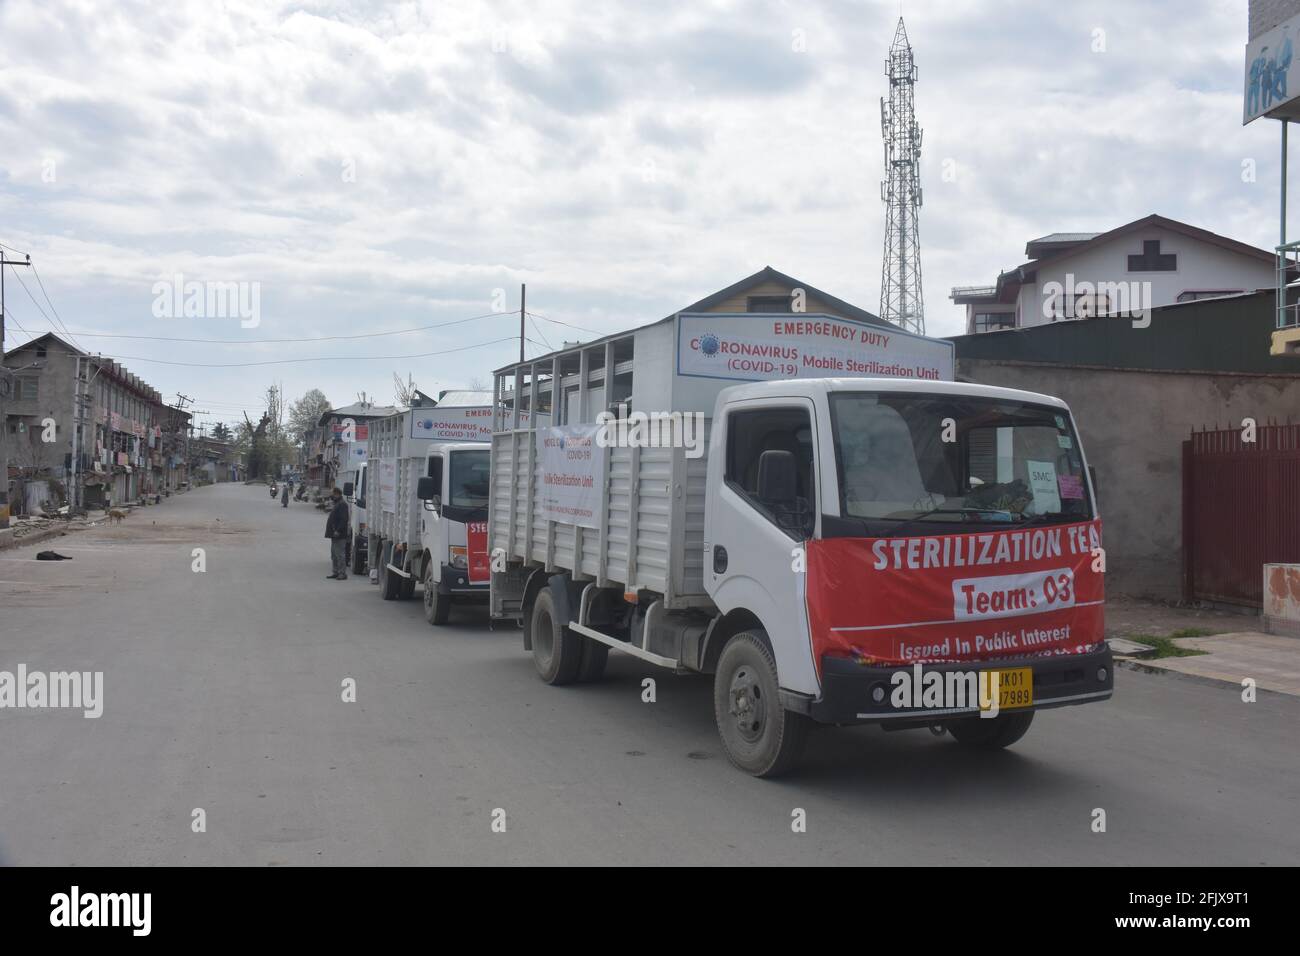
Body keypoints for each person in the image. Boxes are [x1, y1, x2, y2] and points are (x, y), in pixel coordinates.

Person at [325, 486, 350, 580]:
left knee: (340, 554)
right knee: (334, 554)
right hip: (334, 534)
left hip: (339, 534)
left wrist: (338, 530)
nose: (331, 495)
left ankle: (342, 573)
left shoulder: (342, 504)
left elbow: (344, 519)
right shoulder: (337, 503)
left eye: (332, 493)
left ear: (337, 494)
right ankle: (335, 572)